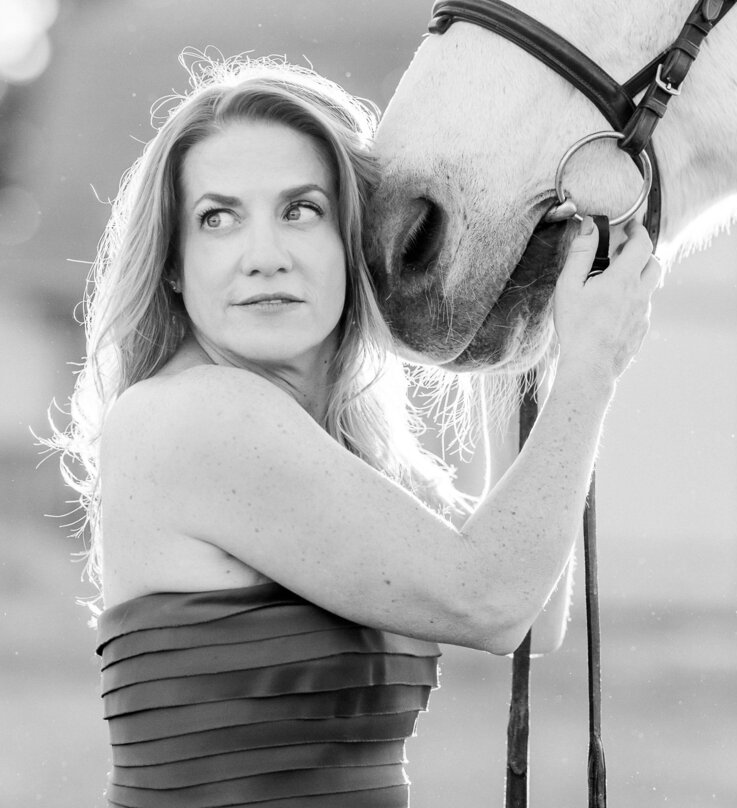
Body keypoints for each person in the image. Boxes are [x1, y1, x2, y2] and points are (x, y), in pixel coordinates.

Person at [58, 53, 660, 807]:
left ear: (353, 240)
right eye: (218, 219)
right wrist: (591, 367)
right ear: (175, 264)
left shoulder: (346, 452)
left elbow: (534, 616)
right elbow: (492, 600)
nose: (264, 258)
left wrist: (524, 313)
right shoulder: (194, 416)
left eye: (300, 210)